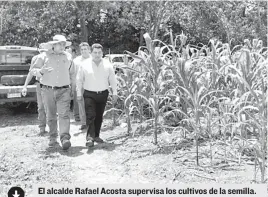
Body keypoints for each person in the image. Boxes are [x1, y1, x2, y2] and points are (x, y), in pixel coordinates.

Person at [30, 35, 75, 150]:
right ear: (54, 45)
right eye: (61, 44)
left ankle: (65, 138)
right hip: (47, 90)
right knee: (50, 115)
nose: (63, 46)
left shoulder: (68, 57)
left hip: (64, 89)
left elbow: (72, 74)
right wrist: (41, 71)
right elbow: (32, 71)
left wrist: (73, 89)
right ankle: (53, 137)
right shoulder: (44, 56)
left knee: (64, 114)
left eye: (64, 44)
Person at [76, 43, 118, 147]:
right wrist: (79, 93)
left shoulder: (107, 64)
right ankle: (90, 138)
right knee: (91, 115)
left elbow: (112, 79)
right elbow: (79, 80)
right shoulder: (84, 64)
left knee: (99, 116)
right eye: (95, 52)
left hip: (103, 93)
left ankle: (96, 135)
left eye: (99, 52)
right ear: (91, 52)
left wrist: (115, 92)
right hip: (89, 93)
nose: (97, 54)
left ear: (102, 53)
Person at [22, 43, 50, 135]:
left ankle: (53, 128)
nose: (42, 51)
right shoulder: (35, 58)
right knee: (41, 107)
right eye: (41, 49)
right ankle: (42, 128)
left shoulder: (51, 56)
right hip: (40, 84)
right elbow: (31, 73)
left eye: (44, 49)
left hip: (50, 85)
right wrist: (25, 86)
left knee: (50, 107)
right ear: (38, 50)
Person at [73, 42, 91, 130]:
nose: (84, 51)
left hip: (92, 85)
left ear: (89, 50)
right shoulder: (76, 61)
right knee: (81, 104)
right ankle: (84, 122)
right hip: (80, 85)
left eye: (85, 49)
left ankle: (92, 122)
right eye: (82, 49)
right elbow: (73, 73)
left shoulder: (94, 59)